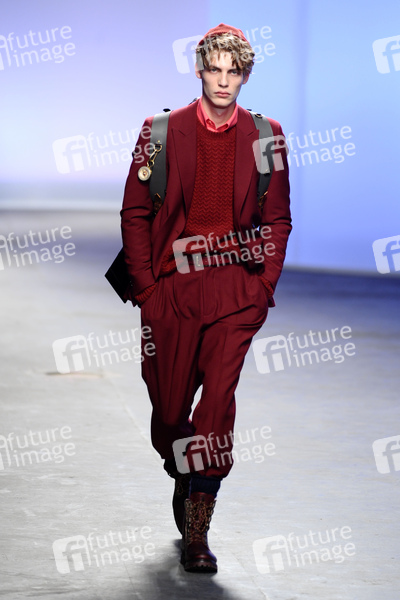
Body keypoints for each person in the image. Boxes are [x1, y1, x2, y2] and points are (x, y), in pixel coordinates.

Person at [120, 23, 291, 573]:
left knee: (217, 403)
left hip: (236, 290)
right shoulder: (160, 130)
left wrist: (263, 286)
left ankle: (198, 530)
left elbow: (278, 218)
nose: (222, 80)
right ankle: (183, 467)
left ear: (245, 76)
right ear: (199, 70)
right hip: (172, 288)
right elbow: (135, 212)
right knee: (169, 410)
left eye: (232, 71)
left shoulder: (266, 134)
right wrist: (147, 290)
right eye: (214, 69)